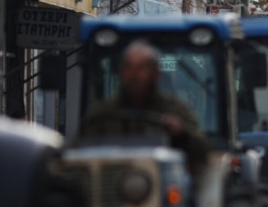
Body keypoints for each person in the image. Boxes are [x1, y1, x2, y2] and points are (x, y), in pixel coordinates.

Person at [79, 41, 209, 174]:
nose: (134, 74)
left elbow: (202, 152)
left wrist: (181, 133)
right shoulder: (102, 113)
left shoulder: (175, 110)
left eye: (142, 68)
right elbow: (78, 150)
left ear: (156, 74)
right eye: (129, 67)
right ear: (121, 72)